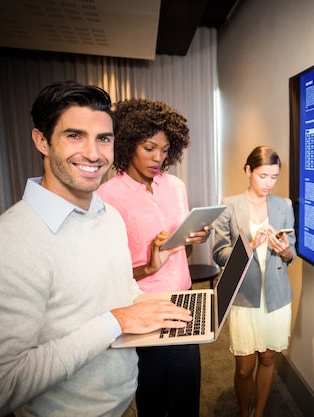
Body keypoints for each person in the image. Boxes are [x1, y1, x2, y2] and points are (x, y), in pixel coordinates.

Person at [0, 81, 193, 417]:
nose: (94, 153)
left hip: (125, 403)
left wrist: (170, 306)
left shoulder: (107, 217)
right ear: (41, 140)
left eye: (103, 138)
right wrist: (114, 322)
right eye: (74, 135)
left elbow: (123, 292)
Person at [98, 98, 210, 417]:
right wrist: (149, 265)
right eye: (149, 148)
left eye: (164, 149)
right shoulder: (107, 197)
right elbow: (109, 275)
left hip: (183, 299)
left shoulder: (175, 186)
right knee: (152, 397)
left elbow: (183, 252)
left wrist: (192, 239)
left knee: (187, 396)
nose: (158, 158)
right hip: (142, 307)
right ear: (129, 143)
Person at [213, 146, 296, 417]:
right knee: (244, 368)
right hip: (244, 296)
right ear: (248, 171)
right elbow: (219, 254)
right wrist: (251, 244)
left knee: (268, 358)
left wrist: (284, 251)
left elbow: (290, 251)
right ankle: (241, 411)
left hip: (276, 295)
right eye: (263, 176)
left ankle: (258, 412)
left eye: (274, 177)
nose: (269, 183)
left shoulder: (283, 205)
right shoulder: (229, 205)